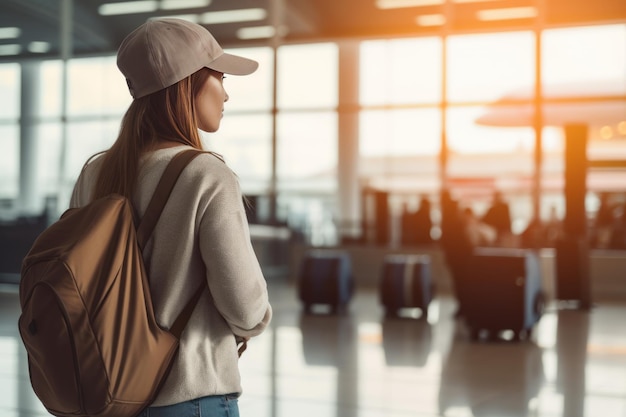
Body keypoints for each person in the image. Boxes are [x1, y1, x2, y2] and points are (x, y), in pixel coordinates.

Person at [69, 18, 272, 417]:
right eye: (220, 77)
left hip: (109, 395)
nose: (226, 94)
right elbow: (246, 309)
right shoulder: (207, 175)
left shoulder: (95, 174)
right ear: (189, 83)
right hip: (190, 399)